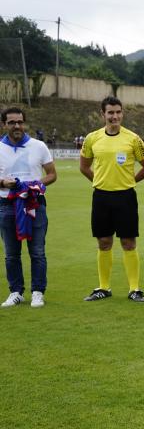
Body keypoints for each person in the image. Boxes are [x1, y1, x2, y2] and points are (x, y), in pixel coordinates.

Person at [79, 96, 144, 302]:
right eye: (110, 112)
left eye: (118, 112)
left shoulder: (133, 139)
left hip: (126, 196)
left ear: (122, 113)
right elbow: (84, 166)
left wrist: (132, 180)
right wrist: (99, 181)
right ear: (103, 114)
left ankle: (135, 289)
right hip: (101, 196)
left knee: (128, 242)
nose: (115, 116)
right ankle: (103, 288)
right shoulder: (92, 138)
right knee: (103, 241)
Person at [0, 107, 57, 308]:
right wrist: (2, 183)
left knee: (38, 251)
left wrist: (36, 184)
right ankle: (16, 292)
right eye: (12, 122)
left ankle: (37, 292)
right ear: (4, 124)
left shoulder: (39, 146)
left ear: (24, 123)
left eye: (20, 122)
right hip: (7, 204)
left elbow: (51, 174)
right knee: (11, 253)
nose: (17, 126)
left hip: (35, 203)